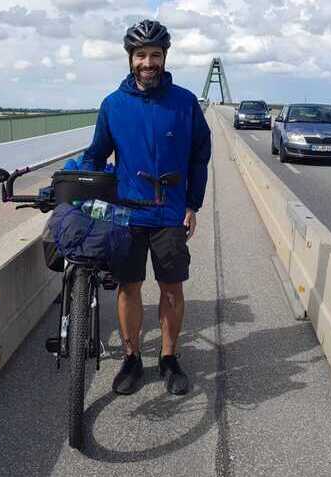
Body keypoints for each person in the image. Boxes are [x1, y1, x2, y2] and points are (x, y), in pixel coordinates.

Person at [79, 19, 211, 395]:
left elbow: (200, 154)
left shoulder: (184, 103)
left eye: (155, 54)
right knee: (128, 287)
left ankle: (169, 358)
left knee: (172, 289)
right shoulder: (113, 105)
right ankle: (132, 358)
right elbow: (95, 155)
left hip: (170, 210)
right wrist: (78, 190)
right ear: (131, 59)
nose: (148, 62)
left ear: (165, 57)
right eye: (141, 55)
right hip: (127, 211)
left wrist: (192, 203)